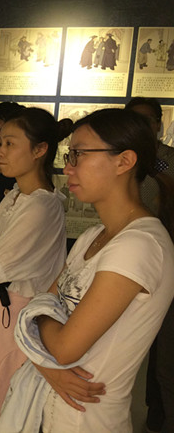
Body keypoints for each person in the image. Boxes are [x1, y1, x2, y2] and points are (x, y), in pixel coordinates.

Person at [0, 108, 174, 433]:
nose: (68, 167)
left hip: (86, 419)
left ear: (124, 161)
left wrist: (38, 318)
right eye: (69, 156)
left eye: (78, 155)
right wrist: (46, 358)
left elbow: (63, 347)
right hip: (49, 408)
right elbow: (42, 319)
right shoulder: (93, 236)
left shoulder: (139, 245)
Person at [0, 108, 69, 431]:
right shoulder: (17, 195)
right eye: (1, 142)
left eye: (10, 144)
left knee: (8, 398)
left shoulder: (41, 206)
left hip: (15, 313)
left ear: (40, 149)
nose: (0, 152)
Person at [125, 97, 174, 433]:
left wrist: (155, 167)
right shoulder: (122, 158)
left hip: (164, 256)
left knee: (165, 354)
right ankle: (151, 409)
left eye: (147, 120)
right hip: (129, 259)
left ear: (158, 123)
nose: (141, 126)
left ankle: (162, 413)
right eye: (134, 120)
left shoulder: (167, 159)